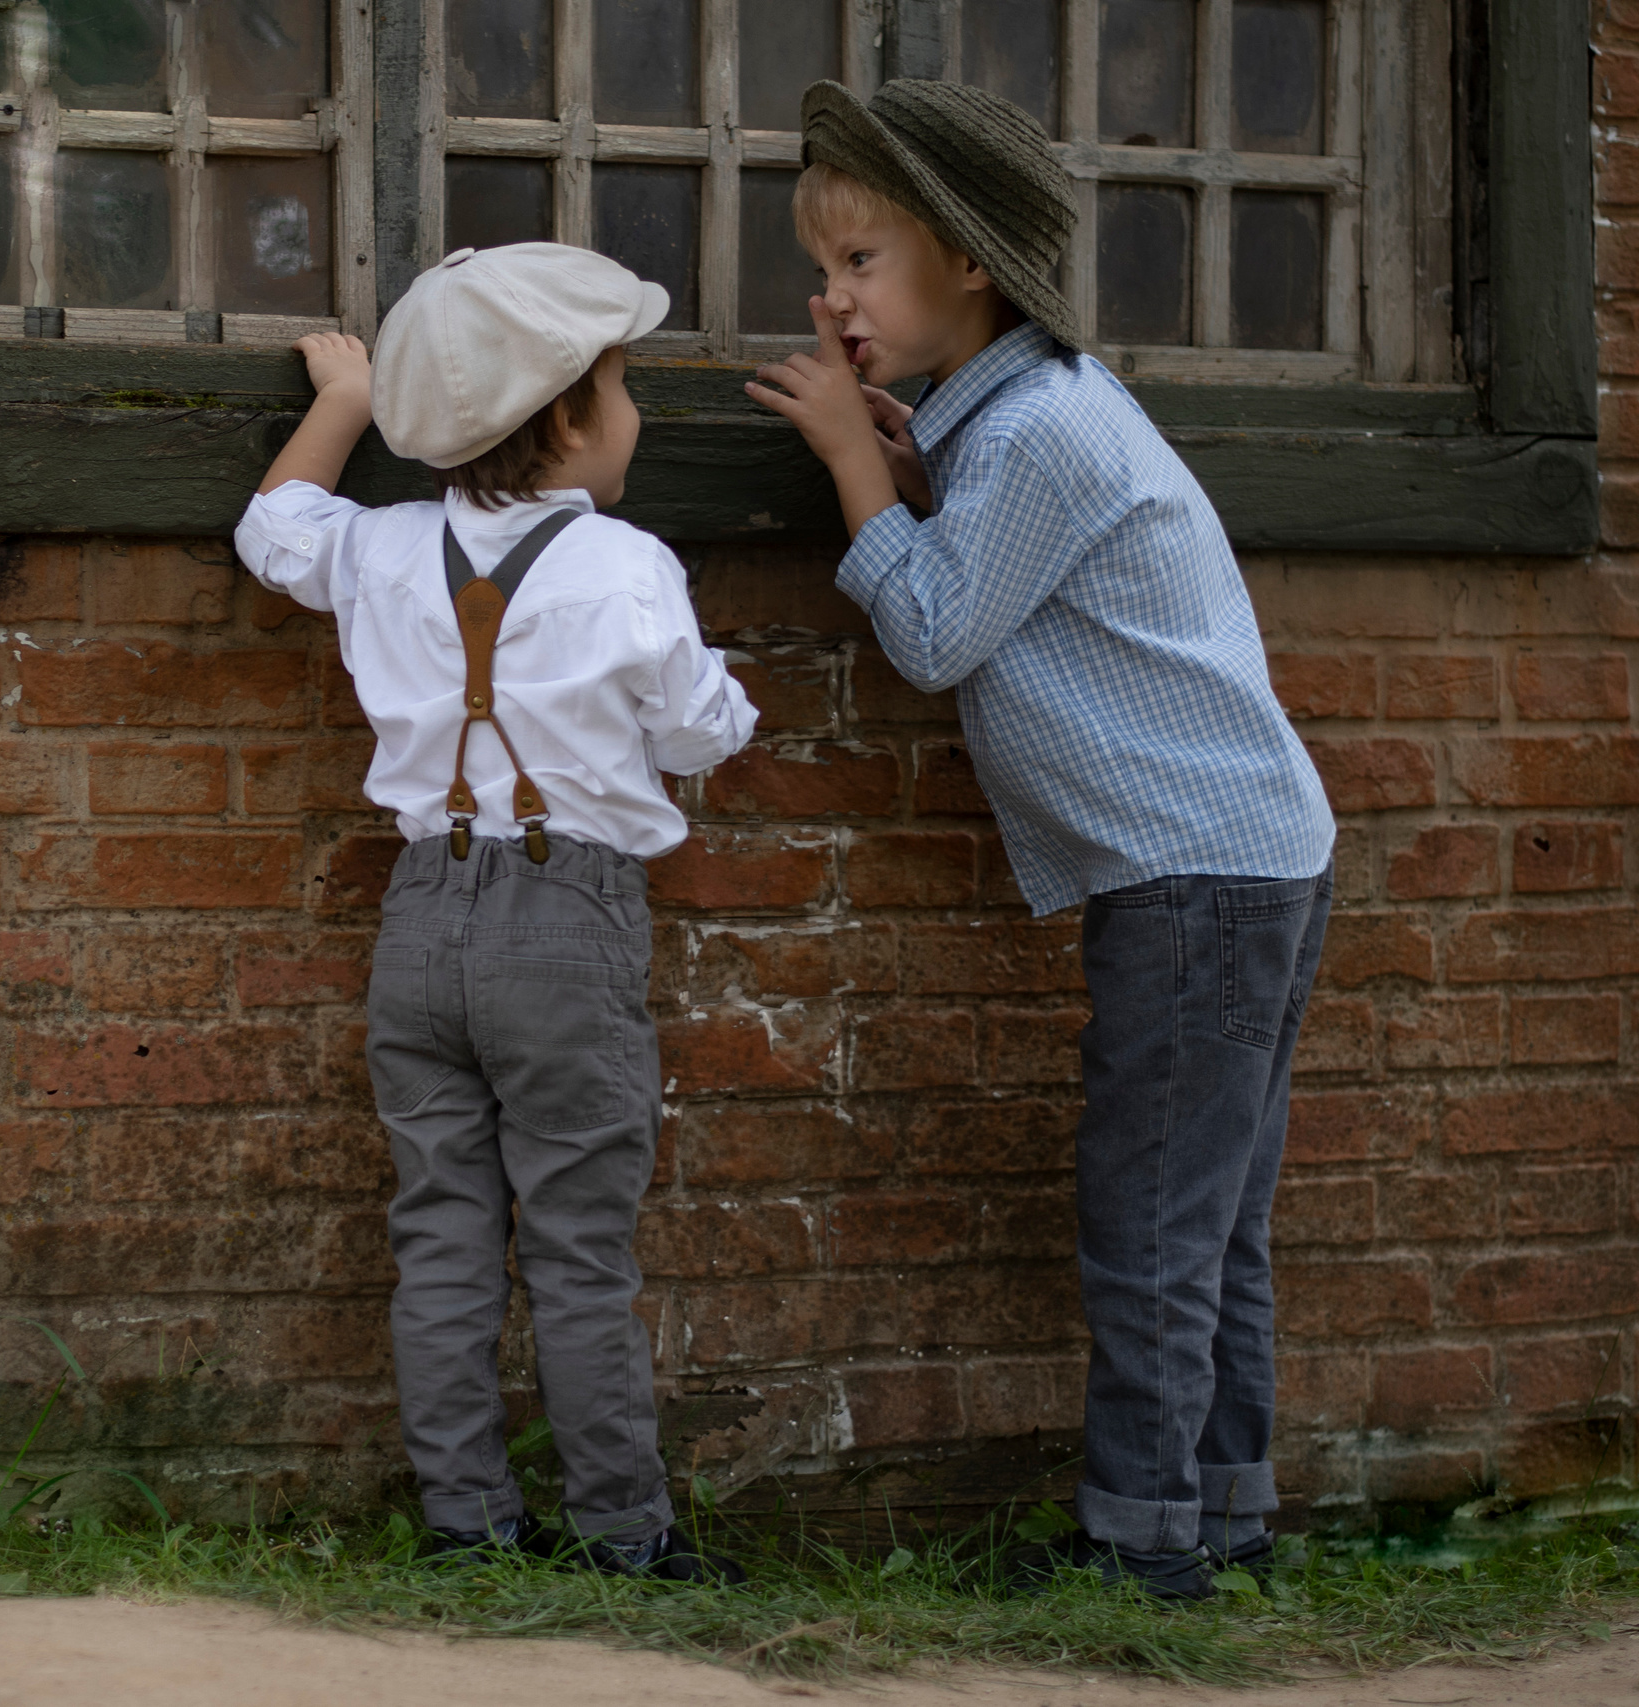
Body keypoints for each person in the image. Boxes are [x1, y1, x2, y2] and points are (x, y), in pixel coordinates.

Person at [745, 80, 1336, 1602]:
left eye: (862, 265)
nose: (830, 299)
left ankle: (1144, 1554)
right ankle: (1223, 1515)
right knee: (1209, 1219)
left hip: (1198, 873)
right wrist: (912, 457)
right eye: (824, 269)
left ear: (972, 267)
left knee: (1151, 1211)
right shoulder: (1019, 417)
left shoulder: (1048, 432)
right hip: (1232, 856)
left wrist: (856, 471)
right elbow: (990, 545)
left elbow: (939, 627)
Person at [232, 244, 758, 1582]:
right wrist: (721, 703)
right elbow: (700, 736)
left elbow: (273, 531)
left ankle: (466, 1525)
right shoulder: (627, 566)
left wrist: (342, 399)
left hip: (419, 921)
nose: (632, 417)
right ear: (573, 417)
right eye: (625, 390)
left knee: (442, 1234)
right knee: (579, 1244)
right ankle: (625, 1536)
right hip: (565, 922)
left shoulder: (384, 549)